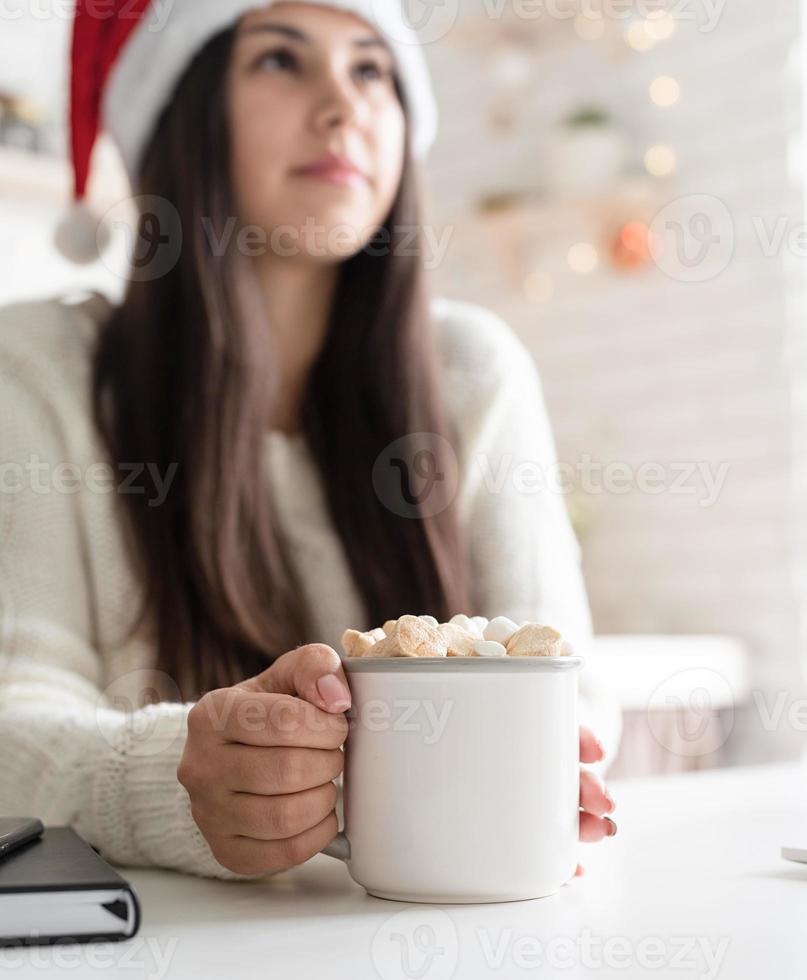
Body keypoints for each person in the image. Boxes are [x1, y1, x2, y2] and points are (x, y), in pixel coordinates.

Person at [0, 0, 620, 881]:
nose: (344, 106)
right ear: (182, 113)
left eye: (372, 69)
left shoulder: (474, 373)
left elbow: (572, 686)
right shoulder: (36, 370)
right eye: (280, 61)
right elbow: (13, 721)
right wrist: (169, 779)